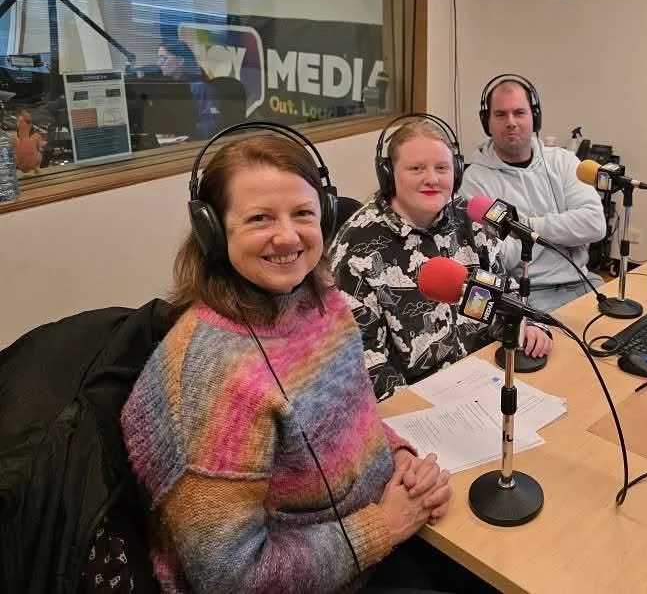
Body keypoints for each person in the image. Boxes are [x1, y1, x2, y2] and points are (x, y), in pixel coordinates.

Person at [120, 131, 455, 593]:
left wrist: (398, 459)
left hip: (374, 541)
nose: (287, 236)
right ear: (212, 230)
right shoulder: (211, 377)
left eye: (302, 214)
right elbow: (232, 578)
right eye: (260, 218)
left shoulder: (322, 301)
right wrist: (383, 526)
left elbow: (350, 420)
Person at [332, 118, 554, 401]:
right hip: (415, 400)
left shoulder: (470, 218)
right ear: (388, 175)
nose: (432, 179)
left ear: (456, 172)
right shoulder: (357, 247)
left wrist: (529, 326)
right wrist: (417, 412)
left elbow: (502, 294)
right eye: (416, 168)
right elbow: (364, 365)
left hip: (486, 377)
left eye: (442, 168)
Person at [462, 75, 607, 312]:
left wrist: (524, 227)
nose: (511, 122)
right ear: (487, 122)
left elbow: (594, 225)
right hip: (525, 293)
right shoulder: (475, 181)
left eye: (519, 113)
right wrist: (566, 232)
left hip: (583, 281)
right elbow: (500, 255)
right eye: (501, 114)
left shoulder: (564, 162)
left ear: (534, 117)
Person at [157, 38, 222, 139]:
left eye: (163, 58)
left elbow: (212, 126)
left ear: (180, 61)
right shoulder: (168, 89)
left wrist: (182, 130)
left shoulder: (201, 88)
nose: (158, 63)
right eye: (159, 58)